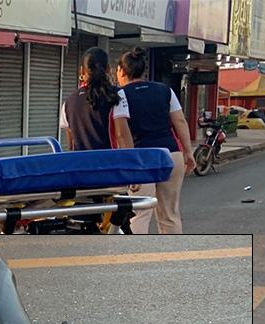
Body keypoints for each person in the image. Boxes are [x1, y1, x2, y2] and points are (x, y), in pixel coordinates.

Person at [114, 47, 194, 235]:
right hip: (170, 155)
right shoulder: (164, 90)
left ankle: (137, 260)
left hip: (142, 159)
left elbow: (121, 133)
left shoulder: (120, 95)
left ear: (121, 71)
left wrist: (130, 165)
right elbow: (180, 121)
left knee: (138, 213)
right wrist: (188, 153)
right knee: (170, 213)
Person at [59, 47, 133, 153]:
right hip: (108, 164)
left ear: (82, 71)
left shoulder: (68, 103)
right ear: (108, 69)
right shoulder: (115, 94)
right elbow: (122, 135)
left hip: (80, 166)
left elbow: (71, 145)